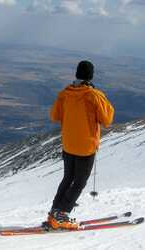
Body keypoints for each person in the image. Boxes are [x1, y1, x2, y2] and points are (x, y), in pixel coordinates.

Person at [47, 60, 114, 230]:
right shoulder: (93, 95)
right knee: (79, 182)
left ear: (77, 74)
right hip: (85, 147)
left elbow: (54, 115)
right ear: (91, 76)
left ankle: (54, 212)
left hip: (68, 144)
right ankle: (61, 215)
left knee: (68, 178)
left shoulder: (65, 93)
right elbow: (107, 119)